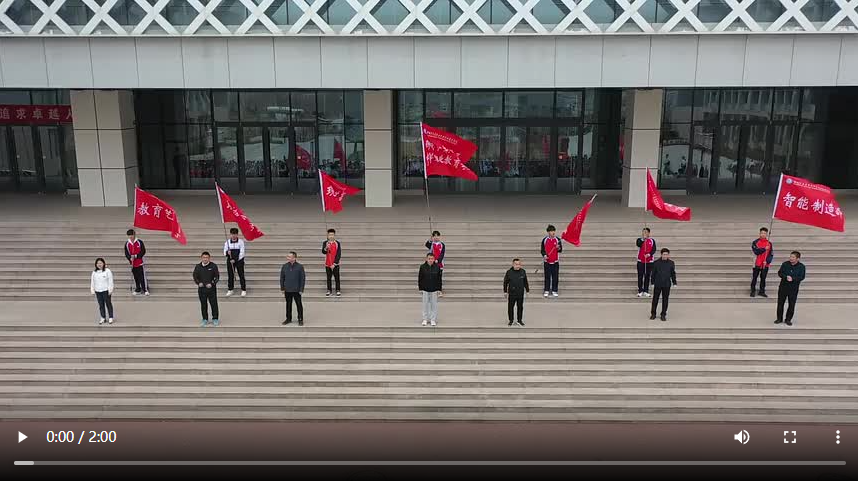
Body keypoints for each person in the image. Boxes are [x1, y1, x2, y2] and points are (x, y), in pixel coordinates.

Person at [776, 251, 806, 326]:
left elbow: (801, 277)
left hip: (793, 288)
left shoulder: (801, 267)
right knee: (780, 303)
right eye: (790, 257)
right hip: (783, 287)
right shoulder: (785, 264)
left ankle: (788, 319)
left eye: (793, 257)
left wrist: (793, 279)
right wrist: (785, 277)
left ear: (798, 259)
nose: (791, 258)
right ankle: (779, 318)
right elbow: (780, 273)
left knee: (791, 304)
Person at [193, 251, 220, 327]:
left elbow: (217, 277)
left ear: (209, 258)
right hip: (202, 290)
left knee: (214, 304)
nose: (205, 259)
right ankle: (205, 319)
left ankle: (215, 318)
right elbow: (195, 277)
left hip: (211, 290)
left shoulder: (213, 266)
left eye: (207, 257)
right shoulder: (198, 266)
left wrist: (212, 284)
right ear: (201, 258)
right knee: (203, 305)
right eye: (204, 257)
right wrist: (199, 283)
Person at [649, 248, 677, 322]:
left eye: (667, 254)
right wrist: (652, 283)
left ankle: (663, 314)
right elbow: (653, 274)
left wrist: (674, 282)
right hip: (658, 283)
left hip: (666, 284)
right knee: (655, 299)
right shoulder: (656, 263)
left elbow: (673, 273)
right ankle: (653, 314)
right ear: (661, 254)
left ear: (668, 255)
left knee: (665, 300)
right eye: (664, 254)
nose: (665, 256)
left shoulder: (671, 263)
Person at [280, 251, 306, 326]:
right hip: (287, 289)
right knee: (288, 304)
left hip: (297, 289)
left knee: (299, 304)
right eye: (287, 256)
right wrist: (282, 288)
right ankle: (288, 318)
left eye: (290, 256)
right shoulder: (284, 266)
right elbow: (282, 278)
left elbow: (302, 279)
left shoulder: (300, 267)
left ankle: (300, 319)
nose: (288, 258)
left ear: (294, 258)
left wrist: (301, 289)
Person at [503, 258, 530, 327]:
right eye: (516, 264)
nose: (518, 266)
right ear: (513, 264)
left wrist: (527, 290)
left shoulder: (523, 271)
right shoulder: (509, 272)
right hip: (512, 293)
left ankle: (519, 320)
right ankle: (511, 320)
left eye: (519, 264)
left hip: (520, 293)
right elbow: (505, 282)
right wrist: (505, 291)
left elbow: (525, 282)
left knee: (520, 307)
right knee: (510, 307)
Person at [418, 253, 442, 327]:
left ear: (434, 259)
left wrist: (439, 289)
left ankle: (433, 319)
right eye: (429, 258)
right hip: (425, 288)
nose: (430, 260)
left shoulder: (437, 267)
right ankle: (425, 319)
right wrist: (420, 288)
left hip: (434, 289)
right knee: (425, 304)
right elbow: (420, 278)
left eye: (432, 259)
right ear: (426, 259)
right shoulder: (422, 267)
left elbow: (439, 279)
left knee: (433, 305)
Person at [223, 227, 247, 298]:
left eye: (235, 234)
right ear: (230, 234)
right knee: (230, 275)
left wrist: (235, 260)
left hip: (239, 261)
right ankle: (230, 289)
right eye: (232, 234)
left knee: (241, 275)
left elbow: (242, 253)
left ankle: (243, 289)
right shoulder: (227, 242)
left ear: (237, 234)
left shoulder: (241, 242)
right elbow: (224, 252)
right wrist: (228, 252)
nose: (233, 236)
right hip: (230, 261)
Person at [750, 227, 774, 298]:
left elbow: (771, 254)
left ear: (767, 234)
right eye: (762, 233)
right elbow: (756, 251)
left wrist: (767, 261)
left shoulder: (769, 243)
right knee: (754, 277)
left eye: (764, 233)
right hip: (757, 263)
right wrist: (764, 249)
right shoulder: (755, 242)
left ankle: (762, 291)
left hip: (765, 264)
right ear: (759, 233)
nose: (763, 234)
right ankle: (752, 291)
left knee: (763, 278)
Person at [124, 229, 149, 296]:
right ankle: (138, 288)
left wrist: (136, 256)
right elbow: (126, 253)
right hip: (133, 264)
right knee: (136, 277)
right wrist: (130, 258)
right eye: (129, 235)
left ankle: (145, 289)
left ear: (134, 234)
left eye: (131, 235)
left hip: (140, 262)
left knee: (142, 276)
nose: (130, 237)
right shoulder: (127, 244)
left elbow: (143, 251)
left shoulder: (139, 242)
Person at [90, 257, 115, 325]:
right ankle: (103, 317)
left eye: (100, 263)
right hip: (98, 291)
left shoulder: (107, 271)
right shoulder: (94, 272)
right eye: (98, 263)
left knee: (108, 304)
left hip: (106, 290)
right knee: (101, 305)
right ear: (96, 264)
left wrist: (110, 289)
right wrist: (92, 290)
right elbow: (92, 282)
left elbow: (110, 281)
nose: (99, 264)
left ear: (103, 263)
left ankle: (110, 317)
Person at [540, 225, 563, 297]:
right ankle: (546, 290)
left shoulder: (558, 240)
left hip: (555, 261)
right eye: (551, 231)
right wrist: (544, 255)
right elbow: (542, 250)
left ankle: (554, 290)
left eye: (553, 231)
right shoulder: (544, 240)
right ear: (548, 232)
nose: (553, 232)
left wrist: (558, 247)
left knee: (555, 277)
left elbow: (560, 250)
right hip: (547, 261)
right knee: (547, 276)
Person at [636, 227, 657, 297]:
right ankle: (640, 290)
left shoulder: (652, 240)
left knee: (647, 276)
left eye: (646, 232)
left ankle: (646, 290)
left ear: (648, 233)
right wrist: (643, 239)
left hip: (649, 261)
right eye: (643, 232)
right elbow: (639, 244)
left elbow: (654, 249)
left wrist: (649, 254)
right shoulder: (639, 240)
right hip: (641, 261)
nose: (644, 233)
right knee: (640, 276)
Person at [425, 231, 445, 297]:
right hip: (431, 263)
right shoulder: (431, 244)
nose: (436, 237)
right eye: (434, 236)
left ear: (439, 237)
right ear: (433, 237)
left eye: (437, 236)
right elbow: (427, 245)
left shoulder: (442, 244)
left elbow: (442, 254)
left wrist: (438, 260)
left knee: (439, 278)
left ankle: (439, 291)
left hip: (439, 264)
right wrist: (430, 240)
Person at [322, 228, 342, 297]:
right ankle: (329, 290)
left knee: (337, 278)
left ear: (334, 235)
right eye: (329, 235)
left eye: (332, 235)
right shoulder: (325, 243)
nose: (331, 236)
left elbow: (339, 254)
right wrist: (326, 248)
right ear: (327, 235)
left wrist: (334, 263)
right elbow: (323, 252)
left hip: (335, 264)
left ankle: (338, 290)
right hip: (328, 264)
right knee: (328, 278)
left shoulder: (337, 243)